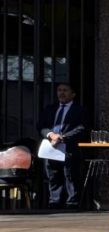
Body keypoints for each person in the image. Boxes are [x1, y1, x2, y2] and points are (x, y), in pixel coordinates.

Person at [37, 81, 87, 210]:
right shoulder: (50, 109)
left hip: (68, 147)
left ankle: (72, 203)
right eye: (59, 90)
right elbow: (41, 126)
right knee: (52, 175)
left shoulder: (79, 110)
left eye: (65, 90)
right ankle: (54, 202)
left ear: (73, 94)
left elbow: (82, 128)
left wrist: (63, 137)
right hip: (51, 146)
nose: (61, 93)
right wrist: (50, 135)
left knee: (70, 175)